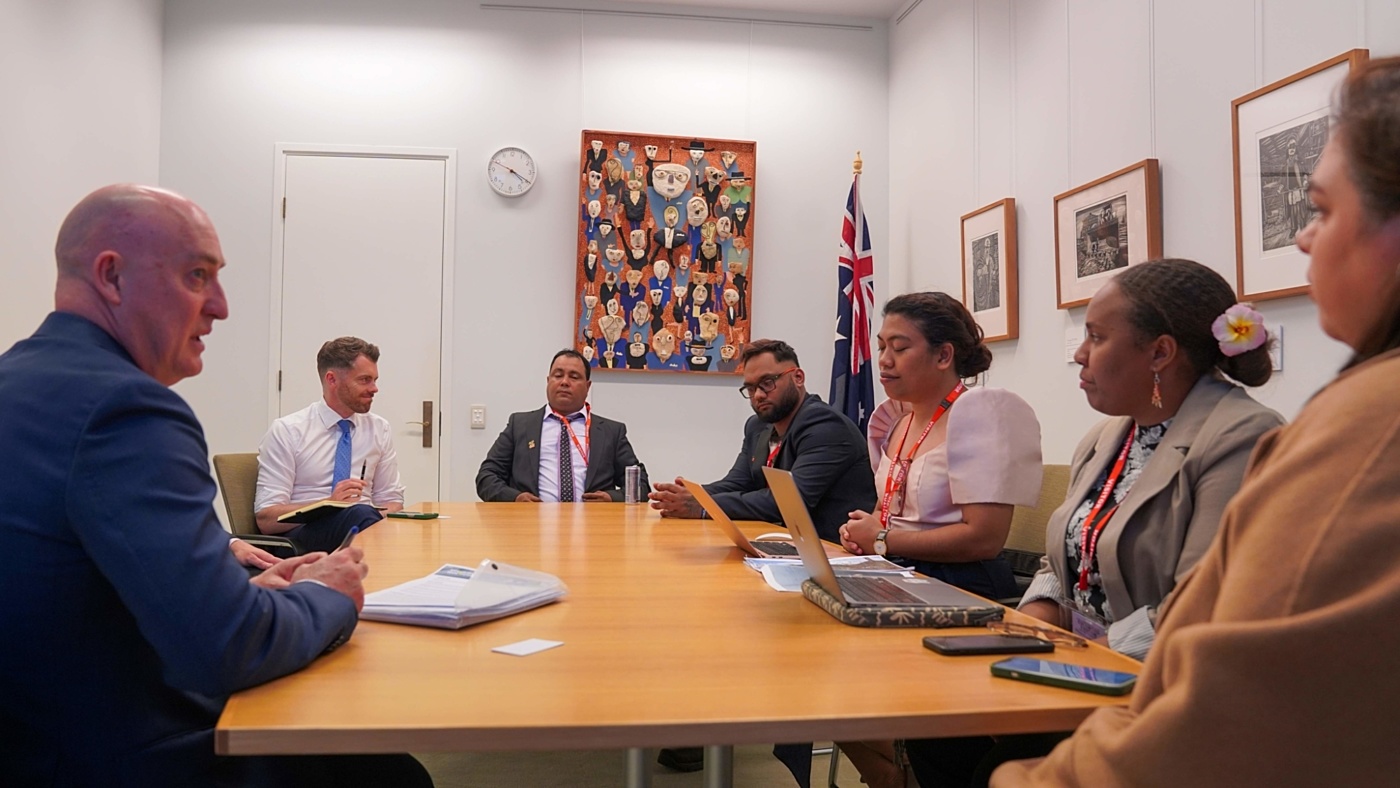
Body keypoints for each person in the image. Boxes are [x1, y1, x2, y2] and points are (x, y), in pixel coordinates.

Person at [993, 56, 1400, 787]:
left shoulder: (1345, 425)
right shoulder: (1104, 437)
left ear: (1161, 353)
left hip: (1124, 702)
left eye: (1323, 209)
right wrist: (1039, 624)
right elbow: (1064, 560)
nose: (1305, 238)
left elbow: (1224, 687)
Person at [0, 184, 430, 787]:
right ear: (111, 275)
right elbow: (229, 647)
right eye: (198, 276)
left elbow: (101, 573)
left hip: (32, 730)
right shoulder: (126, 408)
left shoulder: (18, 380)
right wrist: (329, 592)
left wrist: (250, 583)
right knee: (392, 776)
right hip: (108, 753)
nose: (221, 306)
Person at [835, 293, 1042, 788]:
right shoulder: (894, 419)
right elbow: (899, 516)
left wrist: (883, 538)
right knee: (811, 667)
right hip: (900, 578)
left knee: (836, 673)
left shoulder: (983, 413)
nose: (883, 360)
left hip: (961, 587)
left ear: (944, 355)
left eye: (899, 347)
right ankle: (889, 773)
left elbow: (984, 538)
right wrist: (869, 532)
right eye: (881, 345)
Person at [650, 339, 876, 543]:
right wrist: (689, 495)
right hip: (784, 545)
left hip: (835, 552)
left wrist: (702, 507)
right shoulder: (757, 426)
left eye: (768, 382)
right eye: (750, 387)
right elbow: (737, 483)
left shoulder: (823, 425)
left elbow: (790, 503)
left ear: (798, 377)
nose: (758, 395)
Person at [254, 336, 406, 553]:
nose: (374, 389)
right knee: (359, 514)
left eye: (375, 380)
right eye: (364, 380)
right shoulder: (288, 430)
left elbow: (391, 500)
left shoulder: (379, 428)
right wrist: (328, 504)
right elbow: (266, 519)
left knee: (386, 519)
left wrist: (374, 516)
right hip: (302, 535)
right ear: (332, 379)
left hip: (363, 525)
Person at [476, 349, 648, 502]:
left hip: (593, 527)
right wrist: (515, 498)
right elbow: (487, 477)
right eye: (558, 376)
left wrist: (611, 498)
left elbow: (640, 485)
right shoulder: (520, 425)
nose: (564, 382)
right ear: (548, 381)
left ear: (588, 387)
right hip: (531, 524)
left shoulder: (611, 431)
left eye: (574, 377)